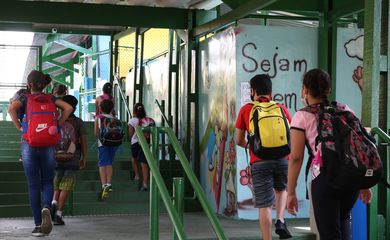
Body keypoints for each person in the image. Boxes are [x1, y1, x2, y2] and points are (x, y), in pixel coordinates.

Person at [287, 68, 372, 240]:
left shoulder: (301, 116)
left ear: (305, 89)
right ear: (328, 90)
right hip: (351, 179)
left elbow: (296, 157)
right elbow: (358, 145)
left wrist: (290, 192)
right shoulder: (344, 109)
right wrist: (364, 183)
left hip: (325, 179)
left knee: (329, 234)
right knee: (343, 222)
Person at [8, 70, 73, 237]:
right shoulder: (51, 98)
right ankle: (46, 206)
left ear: (29, 85)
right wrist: (58, 124)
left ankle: (38, 225)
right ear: (43, 84)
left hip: (29, 144)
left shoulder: (24, 98)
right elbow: (68, 107)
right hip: (49, 145)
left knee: (33, 185)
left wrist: (20, 128)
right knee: (47, 181)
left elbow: (11, 110)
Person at [235, 74, 292, 240]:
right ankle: (280, 220)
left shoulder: (246, 110)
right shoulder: (281, 108)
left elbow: (239, 140)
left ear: (252, 92)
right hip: (283, 159)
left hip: (259, 162)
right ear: (271, 93)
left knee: (265, 206)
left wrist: (253, 146)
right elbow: (292, 135)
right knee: (281, 190)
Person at [51, 95, 87, 225]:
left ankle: (53, 203)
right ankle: (58, 215)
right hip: (72, 159)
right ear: (75, 108)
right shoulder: (78, 122)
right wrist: (84, 157)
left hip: (56, 158)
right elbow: (83, 141)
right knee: (65, 186)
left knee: (57, 184)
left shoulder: (56, 120)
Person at [95, 99, 120, 200]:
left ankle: (104, 185)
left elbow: (96, 132)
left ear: (100, 108)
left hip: (103, 143)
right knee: (109, 162)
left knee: (102, 164)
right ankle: (109, 183)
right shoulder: (114, 118)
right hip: (114, 143)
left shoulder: (98, 118)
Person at [128, 103, 155, 191]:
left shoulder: (132, 121)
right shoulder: (150, 120)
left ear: (135, 111)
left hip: (135, 142)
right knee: (144, 162)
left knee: (134, 158)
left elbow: (131, 134)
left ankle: (137, 175)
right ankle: (145, 182)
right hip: (146, 143)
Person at [10, 88, 29, 162]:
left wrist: (19, 126)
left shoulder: (21, 93)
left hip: (25, 119)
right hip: (37, 120)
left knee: (25, 135)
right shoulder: (45, 96)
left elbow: (12, 105)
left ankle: (23, 155)